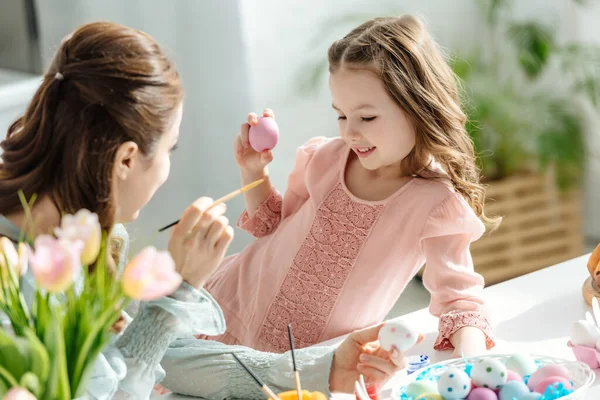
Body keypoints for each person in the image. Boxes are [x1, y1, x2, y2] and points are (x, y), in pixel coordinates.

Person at [0, 21, 404, 399]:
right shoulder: (15, 277)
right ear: (125, 160)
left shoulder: (90, 237)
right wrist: (181, 287)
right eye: (168, 149)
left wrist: (325, 367)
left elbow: (160, 355)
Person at [201, 14, 499, 357]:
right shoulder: (324, 158)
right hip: (232, 307)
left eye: (367, 117)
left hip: (312, 359)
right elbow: (270, 226)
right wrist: (253, 172)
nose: (349, 132)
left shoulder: (435, 203)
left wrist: (474, 366)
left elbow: (461, 302)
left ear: (418, 108)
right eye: (341, 115)